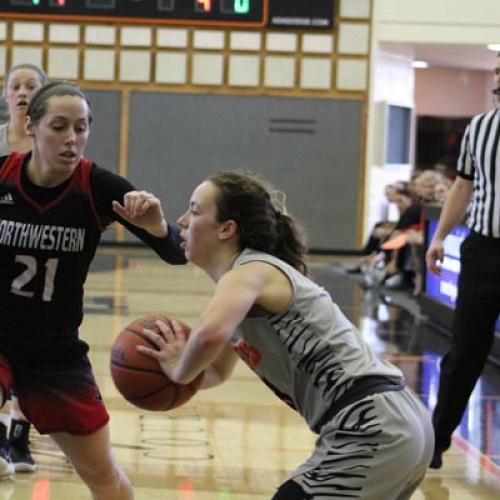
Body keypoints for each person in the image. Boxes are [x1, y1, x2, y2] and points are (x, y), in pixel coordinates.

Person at [139, 171, 434, 499]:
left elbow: (208, 337)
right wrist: (170, 376)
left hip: (371, 424)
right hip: (396, 419)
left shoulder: (249, 272)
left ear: (227, 228)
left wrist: (179, 368)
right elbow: (214, 371)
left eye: (194, 210)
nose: (182, 220)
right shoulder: (247, 283)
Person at [0, 81, 185, 497]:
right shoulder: (2, 176)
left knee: (105, 479)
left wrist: (155, 224)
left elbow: (176, 252)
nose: (72, 139)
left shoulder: (98, 187)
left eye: (81, 128)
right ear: (31, 127)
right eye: (59, 127)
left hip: (54, 353)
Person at [425, 52, 500, 470]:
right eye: (498, 71)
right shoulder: (480, 128)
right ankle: (435, 442)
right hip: (483, 250)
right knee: (465, 351)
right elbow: (461, 187)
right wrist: (439, 237)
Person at [0, 62, 48, 474]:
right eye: (14, 85)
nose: (22, 92)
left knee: (31, 351)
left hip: (38, 258)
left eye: (31, 85)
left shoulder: (51, 142)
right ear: (5, 96)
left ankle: (20, 433)